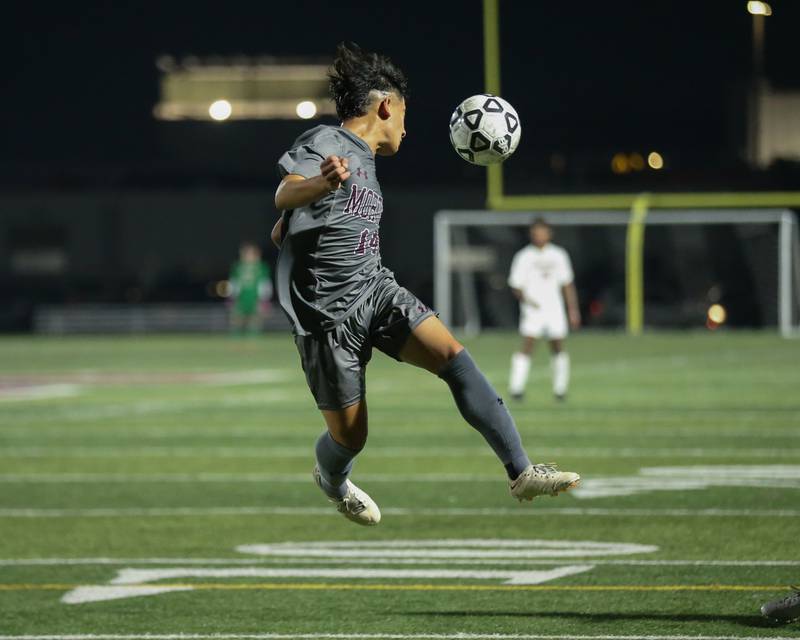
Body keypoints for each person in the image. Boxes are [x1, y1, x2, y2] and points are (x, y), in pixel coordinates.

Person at [270, 42, 579, 526]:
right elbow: (285, 191)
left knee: (454, 356)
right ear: (386, 106)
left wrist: (297, 221)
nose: (407, 129)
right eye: (404, 116)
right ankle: (332, 479)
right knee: (351, 438)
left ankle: (521, 472)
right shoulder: (330, 142)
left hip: (374, 289)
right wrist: (316, 186)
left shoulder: (367, 163)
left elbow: (304, 218)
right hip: (328, 316)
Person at [507, 219, 581, 402]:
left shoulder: (559, 255)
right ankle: (516, 388)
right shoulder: (523, 256)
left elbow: (567, 284)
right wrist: (527, 300)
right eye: (535, 232)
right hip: (533, 310)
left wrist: (573, 310)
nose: (539, 235)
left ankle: (560, 390)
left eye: (542, 232)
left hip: (554, 309)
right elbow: (515, 285)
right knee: (528, 345)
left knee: (557, 346)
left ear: (549, 233)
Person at [228, 242, 272, 335]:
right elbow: (233, 284)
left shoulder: (262, 267)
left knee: (254, 325)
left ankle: (254, 345)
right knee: (236, 324)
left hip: (255, 301)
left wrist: (264, 302)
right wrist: (232, 299)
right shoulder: (237, 267)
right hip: (241, 300)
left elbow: (265, 285)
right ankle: (236, 345)